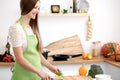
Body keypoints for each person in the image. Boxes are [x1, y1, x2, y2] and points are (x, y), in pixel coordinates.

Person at [8, 0, 60, 80]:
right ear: (26, 7)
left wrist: (51, 67)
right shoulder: (16, 28)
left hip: (35, 76)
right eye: (35, 7)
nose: (37, 11)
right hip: (22, 77)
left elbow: (37, 54)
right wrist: (40, 72)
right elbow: (19, 58)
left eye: (38, 8)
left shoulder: (32, 27)